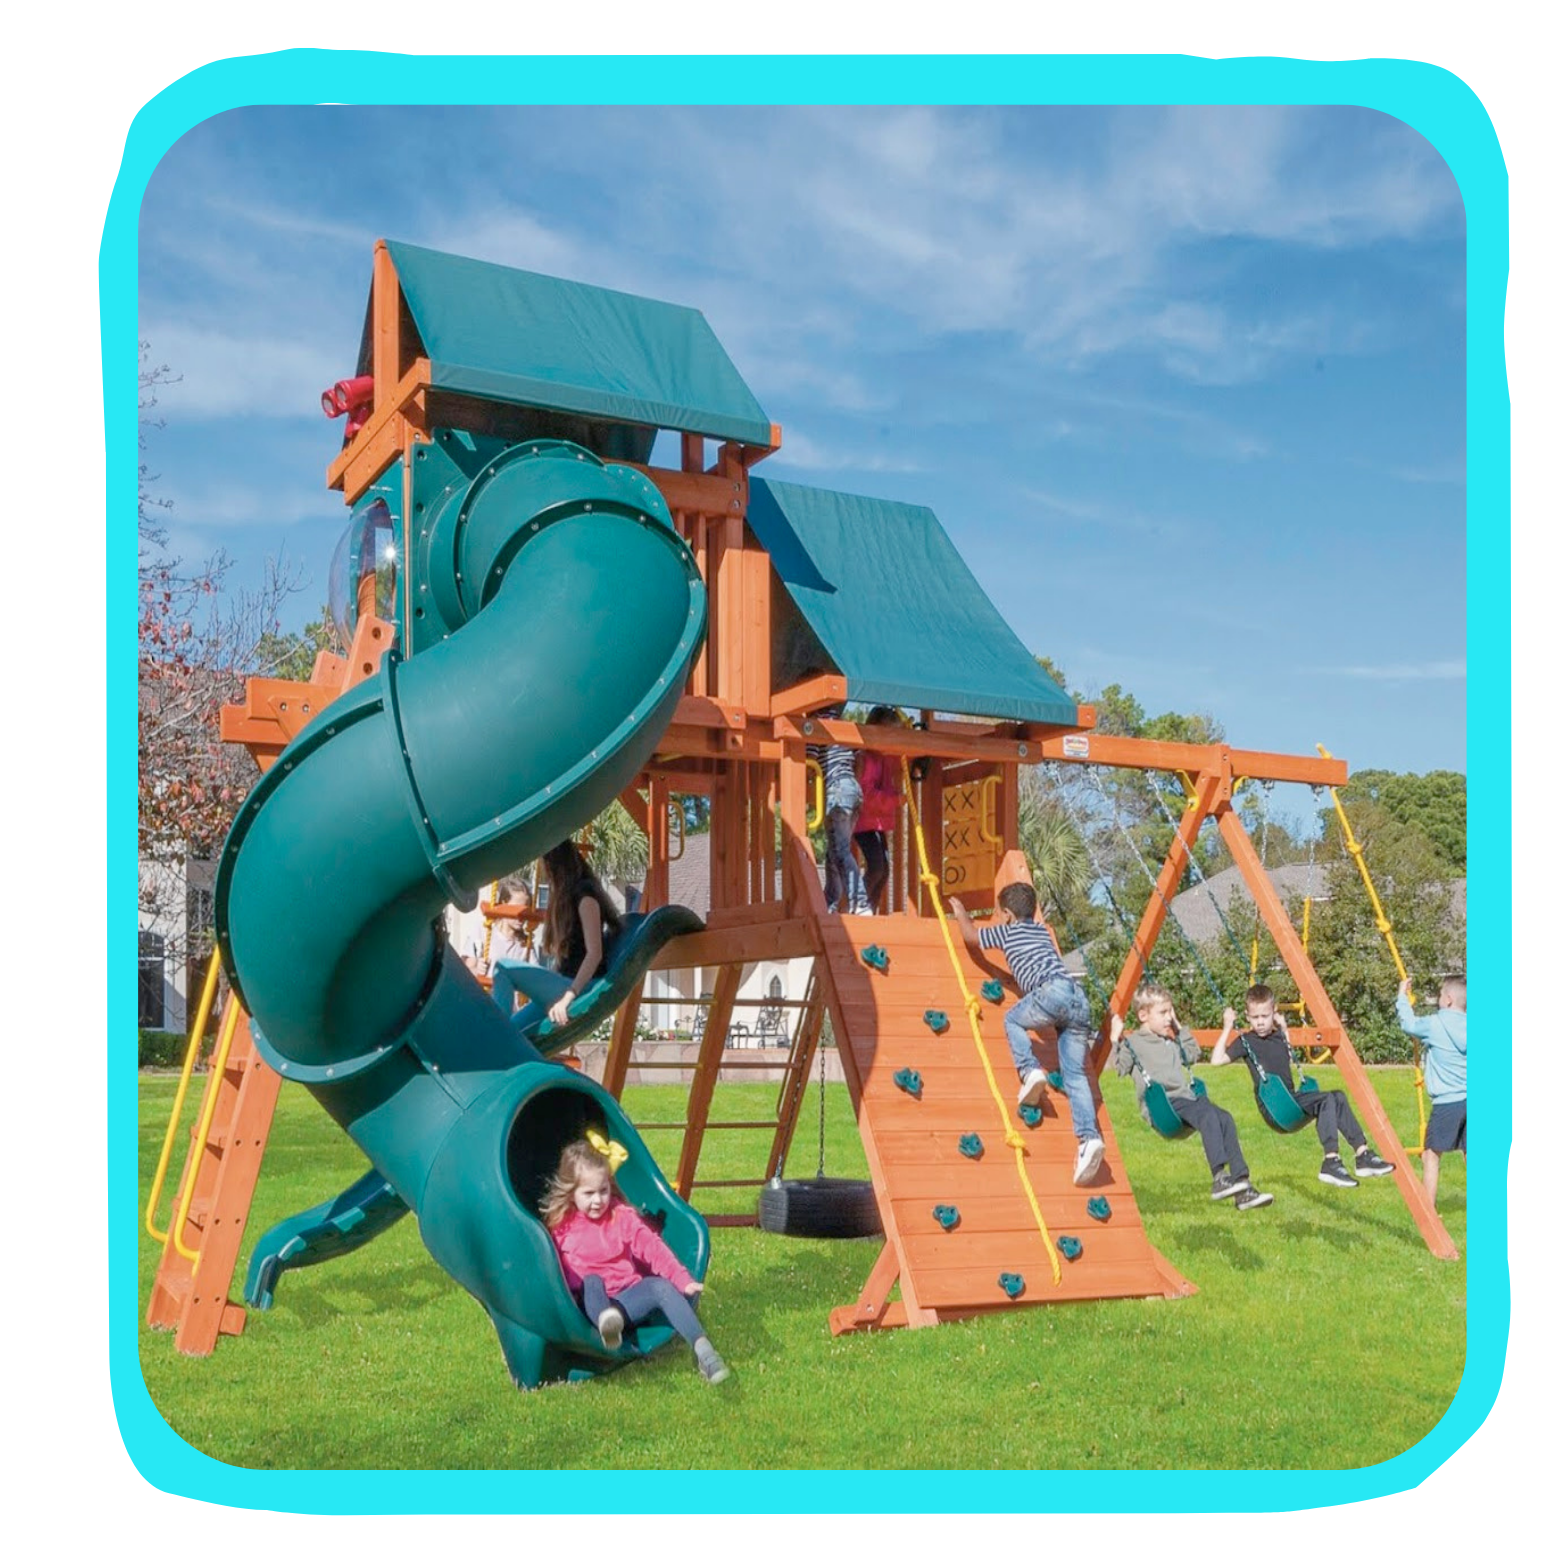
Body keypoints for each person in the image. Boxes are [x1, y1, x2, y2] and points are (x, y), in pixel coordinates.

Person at [951, 883, 1106, 1185]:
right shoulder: (1040, 931)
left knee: (1012, 1020)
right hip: (1077, 997)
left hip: (1053, 993)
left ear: (1007, 915)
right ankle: (1090, 1139)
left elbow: (971, 938)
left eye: (998, 914)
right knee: (1075, 1077)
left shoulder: (1007, 931)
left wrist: (960, 912)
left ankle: (1029, 1071)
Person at [543, 1136, 730, 1383]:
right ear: (571, 1192)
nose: (598, 1200)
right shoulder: (561, 1229)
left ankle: (704, 1351)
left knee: (658, 1287)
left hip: (627, 1302)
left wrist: (682, 1280)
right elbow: (550, 1269)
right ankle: (607, 1324)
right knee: (591, 1281)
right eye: (588, 1193)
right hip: (591, 1305)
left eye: (603, 1190)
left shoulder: (621, 1217)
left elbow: (653, 1248)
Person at [1109, 982, 1274, 1211]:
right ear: (1143, 1015)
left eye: (1170, 1011)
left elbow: (1193, 1054)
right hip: (1163, 1105)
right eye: (1163, 1013)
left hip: (1186, 1101)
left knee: (1224, 1117)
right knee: (1206, 1113)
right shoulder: (1133, 1043)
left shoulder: (1170, 1040)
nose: (1168, 1017)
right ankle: (1219, 1177)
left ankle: (1242, 1185)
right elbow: (1120, 1067)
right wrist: (1115, 1038)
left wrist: (1177, 1027)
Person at [1212, 983, 1395, 1188]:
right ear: (1247, 1016)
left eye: (1265, 1016)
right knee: (1326, 1099)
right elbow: (1216, 1060)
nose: (1260, 1022)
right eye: (1255, 1018)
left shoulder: (1280, 1036)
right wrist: (1227, 1026)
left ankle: (1362, 1154)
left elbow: (1284, 1054)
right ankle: (1331, 1160)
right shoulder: (1246, 1041)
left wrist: (1284, 1027)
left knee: (1337, 1096)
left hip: (1290, 1100)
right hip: (1275, 1107)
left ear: (1274, 1012)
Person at [1397, 973, 1466, 1209]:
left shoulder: (1436, 1024)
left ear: (1447, 999)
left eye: (1439, 995)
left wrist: (1402, 997)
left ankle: (1428, 1212)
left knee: (1431, 1155)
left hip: (1447, 1103)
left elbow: (1409, 1024)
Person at [539, 840, 624, 1027]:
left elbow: (594, 954)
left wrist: (568, 996)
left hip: (577, 984)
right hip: (563, 979)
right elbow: (566, 957)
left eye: (548, 870)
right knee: (517, 1026)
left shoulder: (585, 896)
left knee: (505, 968)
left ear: (556, 868)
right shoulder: (566, 898)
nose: (547, 876)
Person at [808, 706, 868, 915]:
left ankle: (860, 901)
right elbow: (860, 755)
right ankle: (830, 903)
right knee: (834, 851)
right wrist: (853, 782)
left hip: (837, 789)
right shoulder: (845, 725)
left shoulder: (816, 724)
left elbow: (808, 759)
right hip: (853, 788)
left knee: (841, 849)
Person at [853, 706, 903, 915]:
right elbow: (866, 796)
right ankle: (860, 904)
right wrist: (895, 801)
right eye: (887, 735)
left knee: (884, 871)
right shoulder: (866, 759)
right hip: (864, 823)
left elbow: (902, 756)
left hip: (876, 824)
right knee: (876, 867)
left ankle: (869, 909)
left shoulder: (884, 758)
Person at [487, 878, 539, 1018]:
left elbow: (535, 976)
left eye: (526, 909)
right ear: (504, 903)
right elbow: (466, 968)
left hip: (513, 1016)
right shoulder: (485, 934)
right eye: (516, 908)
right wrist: (476, 967)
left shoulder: (525, 945)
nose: (521, 915)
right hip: (487, 1008)